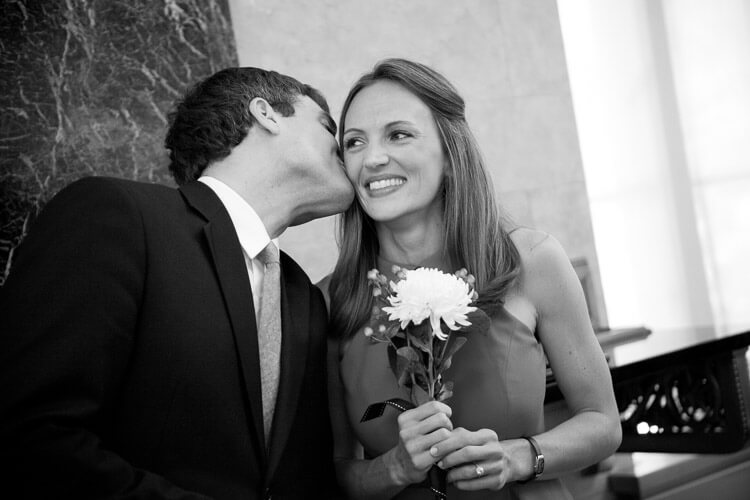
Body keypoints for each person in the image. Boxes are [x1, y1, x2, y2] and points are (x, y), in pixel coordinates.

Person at [0, 67, 353, 499]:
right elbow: (31, 434)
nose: (343, 147)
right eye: (326, 125)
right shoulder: (116, 216)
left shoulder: (303, 295)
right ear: (266, 114)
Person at [324, 58, 622, 499]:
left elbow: (603, 422)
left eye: (398, 134)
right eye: (354, 142)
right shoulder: (330, 300)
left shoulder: (532, 261)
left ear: (449, 153)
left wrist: (521, 456)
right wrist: (393, 469)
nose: (373, 158)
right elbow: (327, 475)